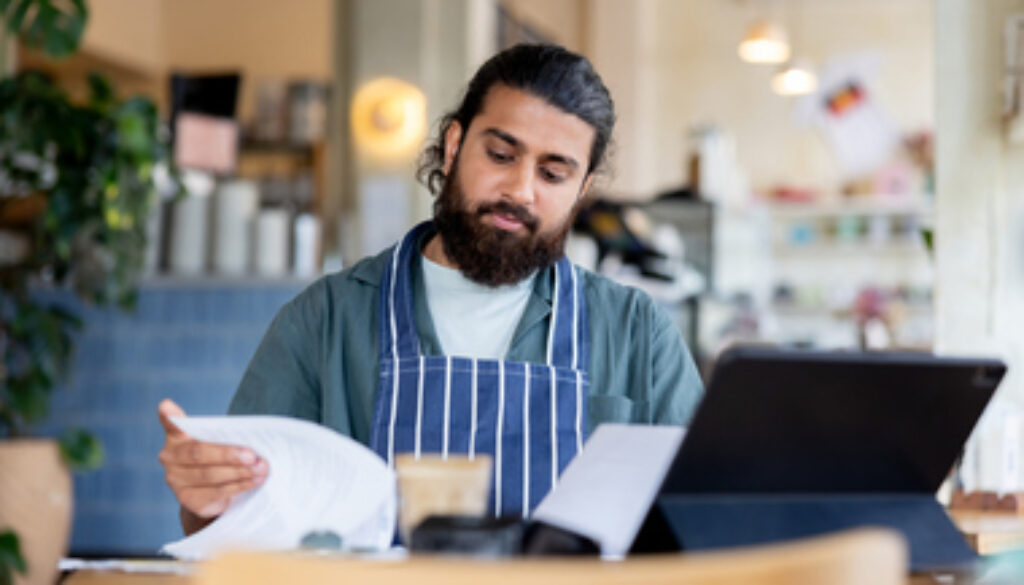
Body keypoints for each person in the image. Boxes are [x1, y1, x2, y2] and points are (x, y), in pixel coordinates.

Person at [158, 43, 704, 536]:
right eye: (501, 155)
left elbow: (702, 522)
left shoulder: (638, 335)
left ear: (582, 191)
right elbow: (236, 521)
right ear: (453, 145)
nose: (520, 190)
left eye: (553, 173)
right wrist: (205, 496)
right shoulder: (324, 321)